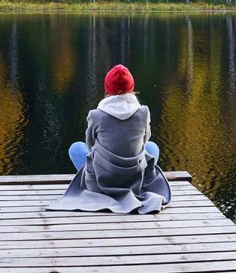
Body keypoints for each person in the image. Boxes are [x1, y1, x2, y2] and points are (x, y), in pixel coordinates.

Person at [49, 64, 171, 214]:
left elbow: (90, 145)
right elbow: (145, 141)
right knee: (152, 147)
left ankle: (100, 189)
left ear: (107, 89)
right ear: (132, 88)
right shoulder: (143, 112)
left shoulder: (96, 115)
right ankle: (128, 187)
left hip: (102, 182)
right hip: (134, 180)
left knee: (76, 148)